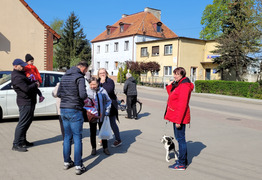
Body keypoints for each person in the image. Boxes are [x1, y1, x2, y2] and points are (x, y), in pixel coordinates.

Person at [57, 61, 88, 175]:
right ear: (82, 68)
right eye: (86, 70)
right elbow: (83, 95)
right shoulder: (80, 77)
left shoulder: (64, 76)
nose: (85, 72)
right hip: (75, 109)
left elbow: (59, 93)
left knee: (67, 137)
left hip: (64, 109)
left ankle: (66, 162)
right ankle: (78, 166)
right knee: (77, 138)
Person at [164, 67, 194, 171]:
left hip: (179, 117)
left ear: (182, 75)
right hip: (176, 116)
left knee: (181, 140)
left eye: (176, 74)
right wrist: (170, 85)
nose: (174, 76)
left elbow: (182, 104)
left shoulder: (184, 86)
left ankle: (181, 164)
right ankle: (182, 161)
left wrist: (178, 120)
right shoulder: (179, 84)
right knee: (179, 139)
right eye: (174, 74)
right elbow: (172, 96)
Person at [11, 59, 39, 152]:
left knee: (27, 122)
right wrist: (35, 84)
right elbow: (26, 89)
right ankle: (16, 144)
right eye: (21, 66)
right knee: (22, 123)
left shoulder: (21, 74)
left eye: (23, 65)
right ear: (15, 66)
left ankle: (23, 141)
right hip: (24, 102)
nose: (23, 67)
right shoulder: (17, 77)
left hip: (29, 101)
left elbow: (29, 83)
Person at [85, 77, 112, 155]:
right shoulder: (87, 91)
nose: (93, 86)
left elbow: (108, 101)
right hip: (92, 116)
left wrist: (107, 111)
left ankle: (105, 148)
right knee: (92, 132)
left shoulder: (103, 91)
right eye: (91, 84)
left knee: (103, 132)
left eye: (94, 84)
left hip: (102, 115)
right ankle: (93, 148)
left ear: (98, 84)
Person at [97, 68, 122, 148]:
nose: (102, 74)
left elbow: (109, 91)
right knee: (102, 123)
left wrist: (103, 83)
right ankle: (103, 138)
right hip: (101, 106)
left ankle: (118, 140)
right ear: (98, 74)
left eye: (103, 73)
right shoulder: (97, 81)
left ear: (106, 73)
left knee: (112, 123)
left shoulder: (110, 81)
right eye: (100, 73)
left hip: (111, 106)